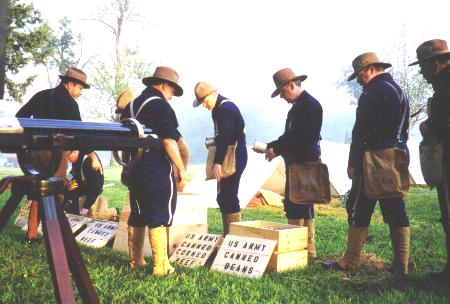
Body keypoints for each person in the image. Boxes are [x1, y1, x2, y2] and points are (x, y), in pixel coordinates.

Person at [322, 52, 410, 275]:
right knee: (395, 207)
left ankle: (350, 261)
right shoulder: (399, 91)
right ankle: (401, 265)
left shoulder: (371, 93)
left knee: (358, 205)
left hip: (371, 159)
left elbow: (360, 132)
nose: (360, 81)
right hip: (396, 156)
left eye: (360, 76)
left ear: (369, 70)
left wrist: (353, 162)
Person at [15, 67, 100, 243]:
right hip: (54, 155)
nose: (80, 93)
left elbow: (20, 116)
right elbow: (80, 132)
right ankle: (53, 238)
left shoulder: (41, 95)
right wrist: (91, 155)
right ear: (69, 84)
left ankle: (31, 233)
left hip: (34, 152)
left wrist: (33, 137)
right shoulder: (69, 103)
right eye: (80, 88)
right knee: (56, 192)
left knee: (39, 189)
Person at [121, 66, 186, 275]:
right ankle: (161, 265)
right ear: (165, 85)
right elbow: (168, 141)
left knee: (138, 213)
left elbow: (123, 142)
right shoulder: (162, 107)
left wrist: (126, 167)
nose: (172, 96)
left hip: (134, 166)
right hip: (156, 167)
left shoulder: (129, 107)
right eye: (172, 91)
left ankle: (136, 261)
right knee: (159, 213)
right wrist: (181, 167)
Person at [258, 68, 322, 259]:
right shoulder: (297, 107)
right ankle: (301, 248)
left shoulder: (311, 106)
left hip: (305, 163)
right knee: (296, 203)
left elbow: (304, 138)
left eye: (282, 92)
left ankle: (305, 249)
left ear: (291, 85)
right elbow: (289, 137)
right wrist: (271, 147)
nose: (282, 97)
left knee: (301, 205)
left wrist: (276, 149)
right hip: (295, 163)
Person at [410, 39, 450, 282]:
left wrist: (429, 126)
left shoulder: (445, 88)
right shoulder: (442, 86)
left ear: (435, 65)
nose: (421, 74)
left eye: (423, 68)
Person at [193, 81, 247, 235]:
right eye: (202, 102)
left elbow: (225, 137)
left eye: (205, 101)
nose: (204, 105)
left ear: (214, 94)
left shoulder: (226, 109)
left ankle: (234, 237)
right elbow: (221, 136)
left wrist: (217, 163)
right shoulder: (217, 109)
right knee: (223, 196)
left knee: (229, 194)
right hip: (228, 153)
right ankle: (228, 234)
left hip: (235, 155)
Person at [65, 150, 104, 217]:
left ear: (75, 151)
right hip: (81, 184)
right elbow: (74, 170)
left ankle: (113, 211)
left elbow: (97, 187)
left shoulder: (90, 161)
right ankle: (72, 212)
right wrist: (67, 179)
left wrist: (86, 206)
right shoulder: (78, 157)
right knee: (63, 190)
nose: (68, 161)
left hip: (92, 187)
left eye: (68, 158)